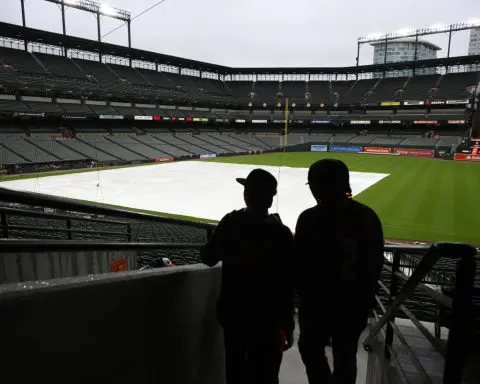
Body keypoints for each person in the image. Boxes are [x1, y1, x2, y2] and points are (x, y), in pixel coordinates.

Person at [201, 168, 295, 384]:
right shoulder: (282, 234)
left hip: (234, 315)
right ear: (270, 199)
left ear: (246, 196)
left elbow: (208, 257)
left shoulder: (231, 222)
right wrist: (288, 325)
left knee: (235, 371)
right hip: (268, 319)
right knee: (266, 374)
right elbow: (287, 285)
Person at [295, 159, 384, 384]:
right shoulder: (368, 216)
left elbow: (300, 265)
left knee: (310, 349)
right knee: (346, 357)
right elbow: (375, 263)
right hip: (352, 306)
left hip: (317, 306)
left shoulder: (309, 218)